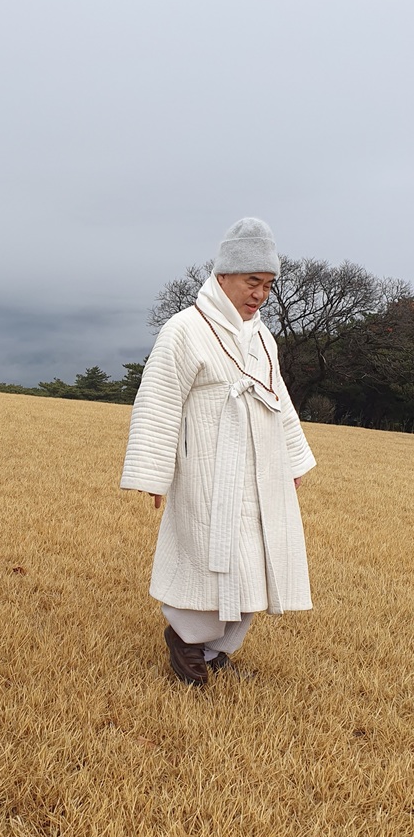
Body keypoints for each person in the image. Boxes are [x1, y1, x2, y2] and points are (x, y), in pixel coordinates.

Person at [120, 218, 315, 686]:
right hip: (209, 469)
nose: (260, 295)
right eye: (253, 282)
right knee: (209, 553)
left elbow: (279, 397)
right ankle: (187, 640)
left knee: (258, 558)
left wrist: (292, 458)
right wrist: (155, 472)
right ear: (224, 274)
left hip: (260, 469)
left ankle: (216, 649)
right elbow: (160, 398)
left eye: (268, 285)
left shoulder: (262, 336)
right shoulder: (184, 329)